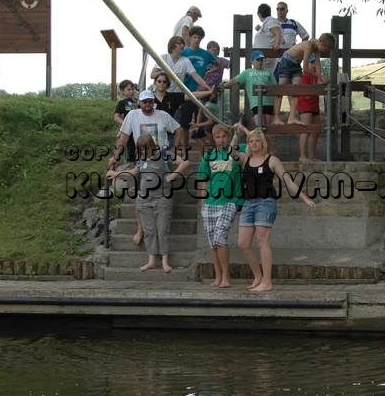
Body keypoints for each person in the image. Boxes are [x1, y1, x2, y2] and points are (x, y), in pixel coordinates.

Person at [230, 126, 315, 292]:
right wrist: (236, 134)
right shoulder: (245, 159)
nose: (254, 143)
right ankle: (258, 277)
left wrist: (304, 198)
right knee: (243, 243)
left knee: (262, 240)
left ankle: (267, 282)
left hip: (265, 202)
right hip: (248, 203)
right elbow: (230, 152)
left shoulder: (272, 160)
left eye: (257, 141)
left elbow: (288, 181)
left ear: (263, 143)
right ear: (247, 144)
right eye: (251, 141)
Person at [109, 90, 186, 246]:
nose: (148, 104)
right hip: (142, 160)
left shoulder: (163, 115)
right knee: (140, 196)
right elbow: (123, 137)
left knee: (160, 194)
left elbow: (179, 129)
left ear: (154, 102)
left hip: (162, 159)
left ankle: (158, 230)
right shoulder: (132, 115)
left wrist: (174, 148)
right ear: (139, 103)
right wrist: (116, 157)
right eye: (145, 102)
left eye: (150, 101)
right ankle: (141, 229)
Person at [107, 134, 190, 273]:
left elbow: (184, 162)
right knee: (149, 230)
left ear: (152, 145)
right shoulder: (141, 159)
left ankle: (165, 261)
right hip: (145, 199)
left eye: (146, 148)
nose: (144, 151)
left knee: (162, 229)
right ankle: (151, 260)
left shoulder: (164, 154)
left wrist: (172, 176)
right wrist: (116, 174)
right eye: (141, 149)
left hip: (162, 198)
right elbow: (133, 173)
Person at [196, 123, 244, 288]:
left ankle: (226, 277)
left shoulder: (236, 151)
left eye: (224, 136)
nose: (221, 139)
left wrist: (240, 130)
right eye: (218, 137)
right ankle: (218, 277)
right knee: (212, 243)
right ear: (214, 139)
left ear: (229, 137)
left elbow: (256, 140)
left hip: (230, 201)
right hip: (210, 203)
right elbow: (203, 182)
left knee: (219, 238)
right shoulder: (208, 157)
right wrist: (203, 204)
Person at [151, 36, 212, 148]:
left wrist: (207, 87)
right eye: (180, 43)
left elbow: (195, 75)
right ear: (173, 45)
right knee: (160, 125)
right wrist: (168, 72)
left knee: (177, 125)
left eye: (183, 43)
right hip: (161, 96)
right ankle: (161, 148)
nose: (183, 46)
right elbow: (152, 75)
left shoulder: (185, 61)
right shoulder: (164, 58)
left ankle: (174, 149)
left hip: (176, 97)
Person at [274, 32, 336, 125]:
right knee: (281, 89)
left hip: (296, 64)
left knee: (297, 89)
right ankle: (276, 117)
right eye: (325, 49)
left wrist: (320, 76)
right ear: (322, 43)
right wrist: (319, 76)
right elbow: (306, 68)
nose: (325, 51)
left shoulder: (316, 48)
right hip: (286, 62)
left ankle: (292, 117)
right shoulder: (308, 45)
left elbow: (317, 62)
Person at [221, 50, 277, 127]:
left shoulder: (268, 72)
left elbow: (275, 86)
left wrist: (275, 105)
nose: (260, 62)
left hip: (269, 102)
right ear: (252, 61)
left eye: (262, 60)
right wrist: (224, 85)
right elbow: (235, 80)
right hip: (256, 103)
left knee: (268, 127)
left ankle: (266, 139)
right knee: (259, 126)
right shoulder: (247, 72)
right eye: (258, 60)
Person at [179, 26, 217, 138]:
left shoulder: (206, 54)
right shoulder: (184, 52)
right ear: (190, 38)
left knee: (201, 124)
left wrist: (207, 73)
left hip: (201, 91)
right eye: (195, 37)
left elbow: (218, 65)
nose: (197, 40)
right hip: (186, 91)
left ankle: (205, 153)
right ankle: (185, 151)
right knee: (184, 124)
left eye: (199, 38)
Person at [296, 53, 326, 162]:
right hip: (306, 106)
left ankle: (311, 156)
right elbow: (307, 94)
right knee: (306, 130)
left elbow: (321, 84)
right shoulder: (304, 76)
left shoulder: (315, 76)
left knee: (315, 131)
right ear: (306, 64)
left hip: (314, 105)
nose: (314, 65)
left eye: (315, 62)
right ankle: (302, 156)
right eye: (312, 62)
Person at [274, 1, 310, 80]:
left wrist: (299, 49)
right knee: (276, 87)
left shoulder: (293, 23)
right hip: (275, 60)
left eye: (282, 9)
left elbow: (305, 36)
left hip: (291, 58)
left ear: (287, 11)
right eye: (278, 9)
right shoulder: (272, 23)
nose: (279, 11)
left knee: (295, 87)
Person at [252, 3, 282, 74]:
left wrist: (276, 46)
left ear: (259, 14)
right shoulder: (268, 22)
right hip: (262, 58)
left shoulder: (270, 20)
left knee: (262, 78)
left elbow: (278, 33)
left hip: (266, 57)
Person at [113, 79, 137, 163]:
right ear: (123, 91)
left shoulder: (137, 102)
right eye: (128, 89)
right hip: (128, 134)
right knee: (129, 154)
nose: (131, 91)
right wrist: (126, 124)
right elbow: (116, 116)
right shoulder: (122, 103)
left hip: (138, 132)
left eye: (132, 89)